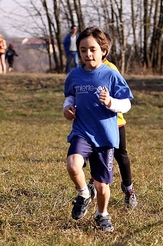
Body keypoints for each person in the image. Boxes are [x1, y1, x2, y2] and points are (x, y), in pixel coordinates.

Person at [63, 26, 133, 232]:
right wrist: (67, 107)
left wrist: (111, 102)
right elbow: (70, 96)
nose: (88, 54)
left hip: (105, 136)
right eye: (83, 50)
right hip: (82, 131)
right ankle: (84, 193)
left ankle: (102, 214)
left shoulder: (111, 75)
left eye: (92, 49)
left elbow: (126, 104)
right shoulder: (74, 75)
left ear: (103, 50)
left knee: (102, 187)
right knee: (73, 166)